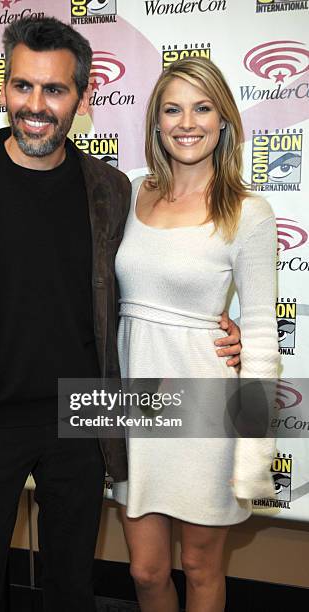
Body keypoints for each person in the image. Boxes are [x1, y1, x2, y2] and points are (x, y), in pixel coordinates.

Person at [0, 18, 241, 612]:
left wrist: (214, 322)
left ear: (82, 99)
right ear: (4, 88)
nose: (36, 105)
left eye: (54, 90)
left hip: (80, 422)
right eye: (23, 86)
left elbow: (153, 278)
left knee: (70, 588)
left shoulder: (111, 189)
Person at [112, 57, 279, 612]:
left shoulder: (249, 212)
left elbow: (258, 337)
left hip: (206, 409)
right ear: (156, 122)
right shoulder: (129, 192)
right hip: (133, 404)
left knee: (202, 567)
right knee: (144, 571)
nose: (188, 122)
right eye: (173, 108)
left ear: (224, 119)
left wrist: (254, 452)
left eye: (203, 107)